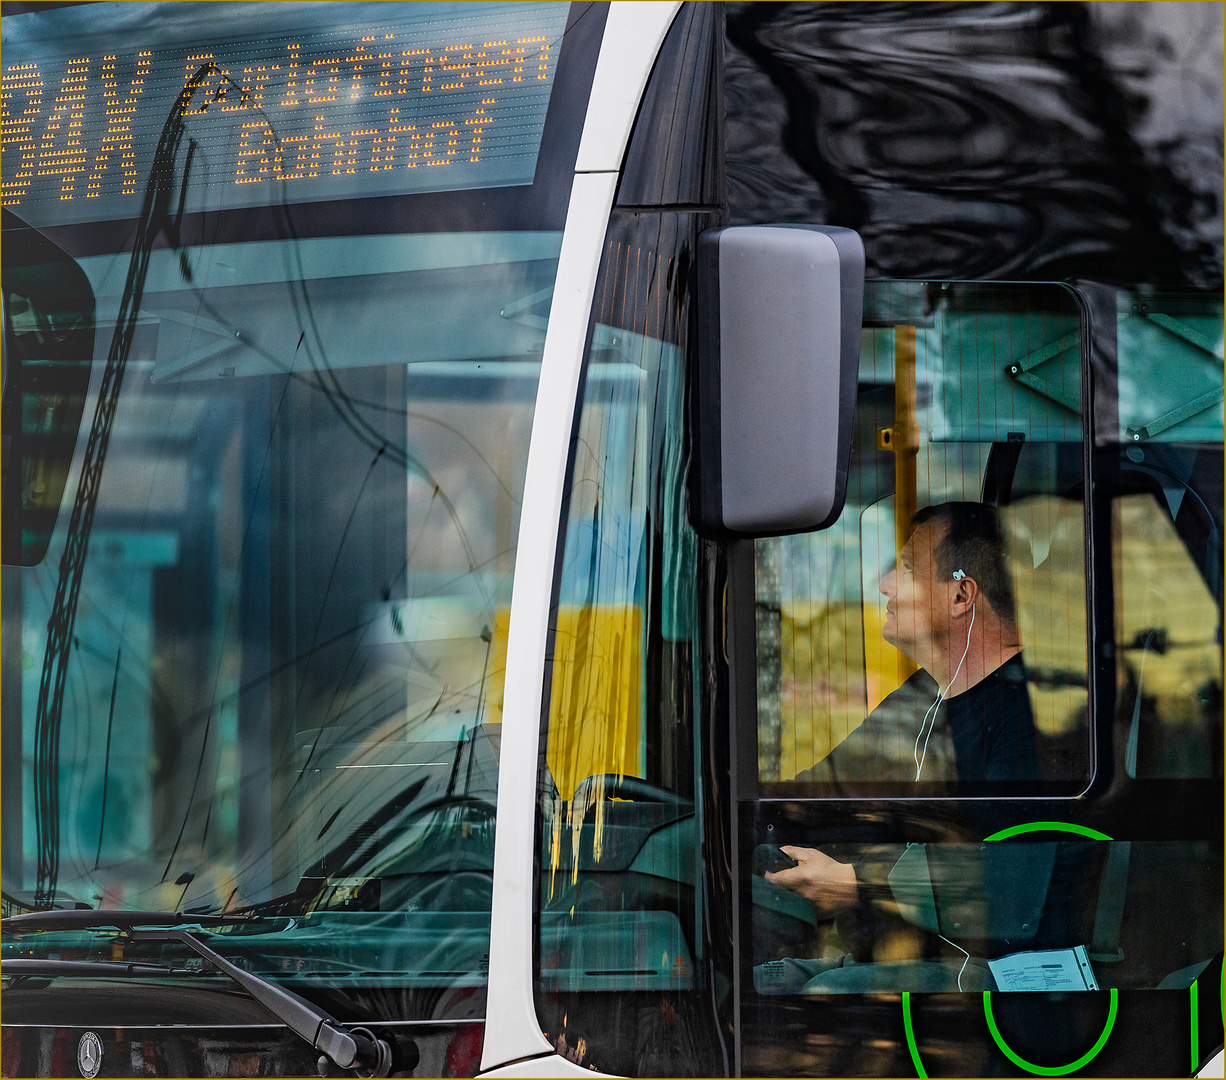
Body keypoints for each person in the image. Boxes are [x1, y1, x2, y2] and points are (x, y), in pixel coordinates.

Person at [768, 502, 1039, 927]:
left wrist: (858, 882)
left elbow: (1006, 866)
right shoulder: (923, 695)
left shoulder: (1032, 714)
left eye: (908, 568)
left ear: (960, 594)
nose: (885, 585)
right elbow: (824, 792)